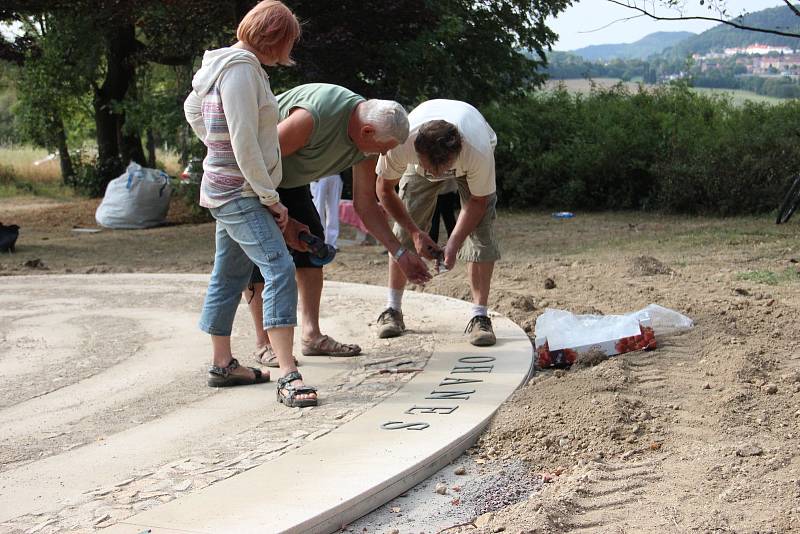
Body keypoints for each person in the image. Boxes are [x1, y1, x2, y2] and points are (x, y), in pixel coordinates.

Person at [183, 0, 316, 407]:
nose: (290, 48)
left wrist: (214, 146)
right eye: (290, 39)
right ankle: (288, 374)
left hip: (228, 187)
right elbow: (243, 140)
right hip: (240, 192)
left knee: (228, 274)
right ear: (276, 38)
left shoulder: (223, 64)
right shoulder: (240, 70)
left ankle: (223, 365)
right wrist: (270, 198)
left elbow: (193, 109)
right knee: (278, 267)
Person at [245, 83, 433, 367]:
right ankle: (264, 343)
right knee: (262, 255)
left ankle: (311, 335)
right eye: (384, 149)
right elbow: (255, 160)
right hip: (252, 179)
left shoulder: (368, 140)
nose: (384, 156)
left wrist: (400, 253)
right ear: (367, 132)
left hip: (290, 179)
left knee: (312, 245)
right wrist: (277, 213)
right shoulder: (316, 115)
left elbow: (366, 205)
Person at [374, 99, 500, 346]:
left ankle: (480, 317)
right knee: (400, 233)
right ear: (417, 152)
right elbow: (384, 190)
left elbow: (477, 202)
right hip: (418, 162)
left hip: (471, 163)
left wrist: (453, 242)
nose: (436, 177)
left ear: (456, 153)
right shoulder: (400, 143)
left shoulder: (477, 150)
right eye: (430, 168)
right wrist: (415, 232)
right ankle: (392, 310)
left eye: (442, 170)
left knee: (482, 234)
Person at [310, 173, 343, 249]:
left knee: (320, 210)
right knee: (330, 210)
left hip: (323, 174)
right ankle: (329, 242)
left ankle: (323, 241)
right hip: (327, 174)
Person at [428, 179, 459, 244]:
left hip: (437, 190)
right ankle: (454, 246)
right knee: (448, 219)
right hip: (447, 189)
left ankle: (432, 249)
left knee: (434, 221)